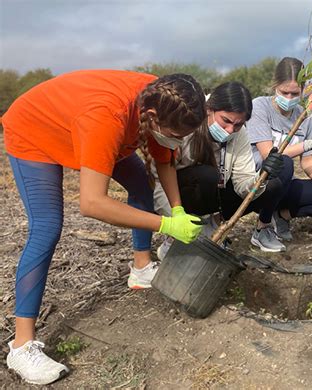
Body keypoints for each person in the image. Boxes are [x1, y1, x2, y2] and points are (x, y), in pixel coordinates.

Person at [2, 70, 206, 385]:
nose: (178, 141)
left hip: (92, 126)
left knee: (141, 183)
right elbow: (92, 203)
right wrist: (166, 224)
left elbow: (163, 161)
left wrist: (178, 210)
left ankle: (141, 268)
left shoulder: (167, 97)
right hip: (36, 131)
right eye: (176, 134)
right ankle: (21, 346)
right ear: (151, 117)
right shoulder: (106, 115)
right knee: (47, 228)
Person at [154, 81, 287, 256]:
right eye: (225, 121)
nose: (230, 130)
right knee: (207, 175)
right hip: (178, 196)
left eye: (237, 125)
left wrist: (262, 178)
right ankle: (178, 236)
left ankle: (212, 227)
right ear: (210, 109)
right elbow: (157, 179)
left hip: (215, 196)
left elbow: (242, 185)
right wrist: (174, 222)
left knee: (272, 186)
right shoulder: (186, 123)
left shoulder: (239, 134)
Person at [246, 57, 312, 243]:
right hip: (257, 185)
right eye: (284, 92)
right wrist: (310, 144)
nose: (289, 98)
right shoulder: (259, 107)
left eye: (295, 94)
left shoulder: (304, 117)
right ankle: (262, 228)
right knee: (284, 163)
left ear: (303, 91)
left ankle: (282, 217)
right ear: (275, 87)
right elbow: (268, 156)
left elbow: (307, 160)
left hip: (284, 186)